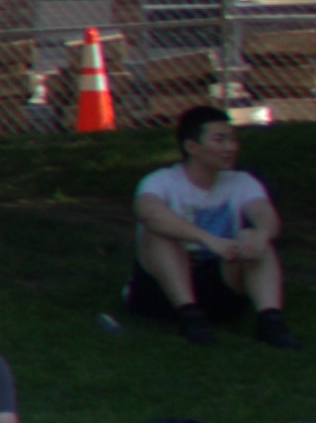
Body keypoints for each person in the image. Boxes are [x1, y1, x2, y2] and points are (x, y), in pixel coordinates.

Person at [124, 107, 292, 346]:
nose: (230, 148)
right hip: (161, 290)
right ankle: (189, 317)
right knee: (158, 235)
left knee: (255, 238)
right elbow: (148, 212)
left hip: (220, 282)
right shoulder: (160, 181)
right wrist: (208, 239)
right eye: (219, 140)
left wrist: (261, 234)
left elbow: (263, 212)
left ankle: (270, 321)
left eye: (232, 139)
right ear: (191, 146)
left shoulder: (243, 182)